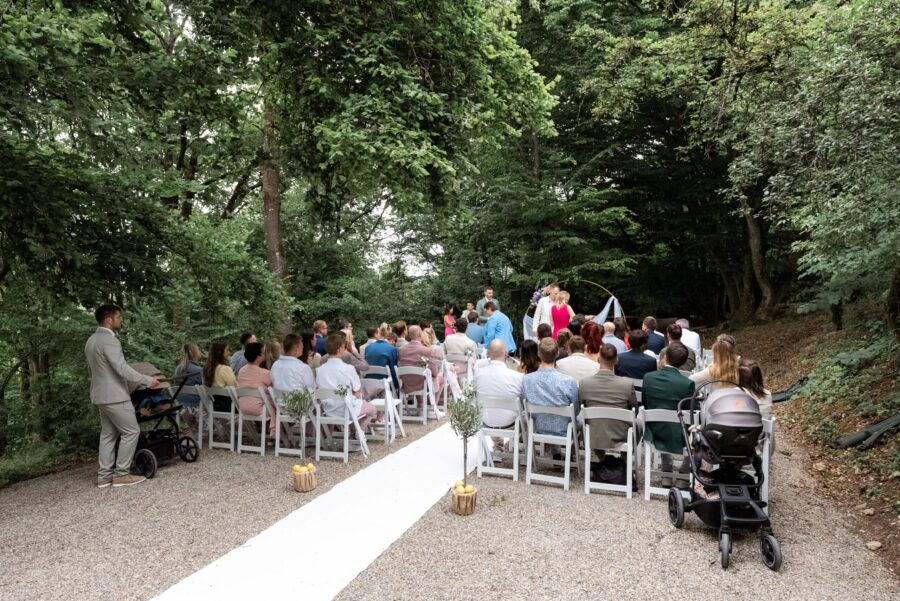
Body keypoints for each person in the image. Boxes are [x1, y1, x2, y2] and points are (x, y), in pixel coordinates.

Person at [85, 304, 160, 488]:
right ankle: (121, 474)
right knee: (131, 431)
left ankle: (104, 477)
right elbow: (122, 368)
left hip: (100, 395)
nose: (121, 320)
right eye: (119, 317)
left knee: (108, 435)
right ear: (109, 320)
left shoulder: (91, 341)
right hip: (115, 396)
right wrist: (147, 380)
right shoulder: (110, 341)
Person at [642, 342, 695, 486]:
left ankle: (666, 468)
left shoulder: (648, 377)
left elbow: (645, 405)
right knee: (698, 431)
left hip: (654, 430)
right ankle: (684, 474)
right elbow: (693, 412)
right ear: (683, 362)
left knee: (660, 421)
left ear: (665, 357)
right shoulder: (687, 384)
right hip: (679, 433)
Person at [579, 343, 639, 458]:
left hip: (594, 433)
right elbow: (634, 410)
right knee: (639, 423)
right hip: (621, 434)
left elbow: (582, 406)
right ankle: (624, 458)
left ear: (598, 359)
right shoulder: (626, 384)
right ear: (616, 360)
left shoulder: (584, 383)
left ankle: (602, 458)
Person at [316, 334, 376, 433]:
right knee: (371, 409)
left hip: (328, 410)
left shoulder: (320, 370)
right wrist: (354, 393)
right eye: (344, 347)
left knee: (357, 403)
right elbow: (357, 389)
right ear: (340, 349)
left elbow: (320, 389)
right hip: (347, 409)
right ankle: (359, 434)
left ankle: (352, 432)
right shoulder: (348, 368)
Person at [522, 338, 579, 436]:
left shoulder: (527, 380)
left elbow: (524, 404)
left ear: (538, 354)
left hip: (538, 427)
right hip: (564, 429)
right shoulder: (569, 381)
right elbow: (576, 410)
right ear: (557, 354)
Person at [474, 340, 524, 449]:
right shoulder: (517, 377)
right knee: (525, 411)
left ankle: (497, 445)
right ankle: (520, 446)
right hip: (511, 423)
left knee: (491, 408)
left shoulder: (478, 374)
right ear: (506, 353)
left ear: (487, 353)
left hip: (486, 421)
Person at [397, 325, 444, 407]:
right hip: (422, 385)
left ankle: (421, 404)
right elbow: (435, 373)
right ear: (420, 334)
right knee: (441, 378)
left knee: (417, 376)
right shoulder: (427, 351)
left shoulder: (401, 350)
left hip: (407, 384)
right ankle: (433, 406)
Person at [236, 342, 276, 437]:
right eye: (263, 352)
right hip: (259, 409)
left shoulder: (241, 371)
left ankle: (264, 431)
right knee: (276, 406)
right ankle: (275, 434)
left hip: (243, 407)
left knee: (267, 402)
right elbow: (273, 387)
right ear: (258, 356)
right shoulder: (264, 373)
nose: (265, 354)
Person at [173, 342, 203, 432]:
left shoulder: (178, 369)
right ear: (195, 353)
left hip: (180, 405)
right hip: (196, 406)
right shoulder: (198, 370)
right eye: (198, 350)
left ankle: (195, 427)